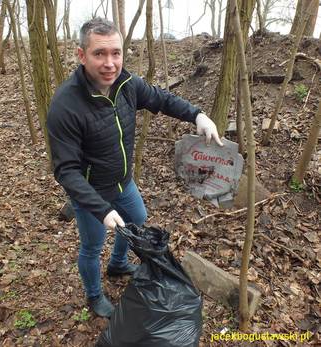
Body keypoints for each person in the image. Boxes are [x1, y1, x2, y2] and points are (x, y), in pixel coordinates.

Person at [47, 17, 223, 318]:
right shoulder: (66, 105)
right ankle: (93, 295)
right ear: (81, 55)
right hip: (91, 194)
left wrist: (197, 115)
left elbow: (161, 99)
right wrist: (100, 210)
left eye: (115, 53)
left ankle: (117, 264)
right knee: (92, 247)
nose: (110, 63)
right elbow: (66, 171)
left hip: (123, 183)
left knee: (136, 221)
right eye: (99, 53)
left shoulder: (128, 85)